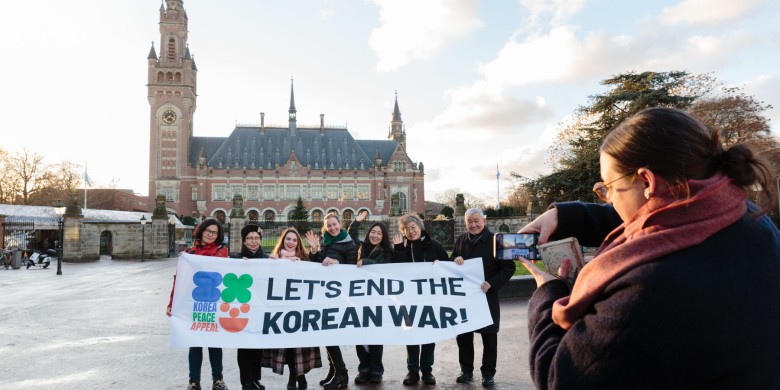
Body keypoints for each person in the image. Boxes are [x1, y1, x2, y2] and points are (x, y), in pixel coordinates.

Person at [518, 107, 780, 388]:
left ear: (647, 181)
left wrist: (547, 295)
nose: (608, 200)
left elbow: (559, 378)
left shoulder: (645, 292)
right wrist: (568, 217)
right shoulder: (750, 218)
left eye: (608, 187)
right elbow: (662, 218)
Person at [450, 208, 515, 388]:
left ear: (484, 221)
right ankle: (466, 370)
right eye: (469, 221)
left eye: (476, 221)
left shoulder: (496, 241)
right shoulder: (461, 240)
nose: (473, 225)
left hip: (487, 296)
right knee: (463, 335)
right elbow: (453, 259)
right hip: (465, 298)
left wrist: (491, 283)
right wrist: (456, 259)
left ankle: (488, 374)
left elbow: (509, 268)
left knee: (489, 337)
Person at [167, 219, 230, 390]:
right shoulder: (189, 252)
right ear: (201, 231)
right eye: (208, 231)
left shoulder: (221, 251)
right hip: (193, 304)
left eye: (214, 232)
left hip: (214, 303)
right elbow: (179, 280)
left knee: (214, 344)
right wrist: (172, 302)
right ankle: (194, 380)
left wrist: (190, 259)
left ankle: (218, 379)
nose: (211, 235)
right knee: (194, 344)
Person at [391, 213, 449, 387]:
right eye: (406, 229)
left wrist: (447, 263)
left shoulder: (434, 245)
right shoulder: (401, 247)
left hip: (430, 299)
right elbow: (395, 270)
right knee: (411, 335)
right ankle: (413, 370)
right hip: (408, 300)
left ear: (420, 227)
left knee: (428, 335)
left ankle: (427, 371)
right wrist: (399, 249)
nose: (410, 231)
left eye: (413, 227)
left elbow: (448, 266)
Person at [262, 227, 323, 390]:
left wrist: (312, 253)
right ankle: (296, 375)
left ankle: (298, 375)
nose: (291, 242)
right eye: (288, 239)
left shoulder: (303, 259)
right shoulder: (274, 259)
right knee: (286, 345)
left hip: (300, 309)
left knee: (299, 345)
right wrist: (271, 264)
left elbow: (318, 273)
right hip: (280, 309)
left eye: (294, 240)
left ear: (298, 243)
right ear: (283, 241)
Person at [304, 213, 357, 389]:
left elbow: (352, 268)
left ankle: (341, 373)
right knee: (325, 333)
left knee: (330, 334)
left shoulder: (349, 243)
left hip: (338, 295)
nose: (332, 228)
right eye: (329, 226)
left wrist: (337, 262)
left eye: (334, 224)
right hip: (323, 293)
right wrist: (314, 250)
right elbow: (317, 265)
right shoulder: (323, 241)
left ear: (339, 224)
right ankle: (334, 370)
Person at [347, 210, 393, 384]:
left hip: (377, 298)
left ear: (383, 236)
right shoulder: (362, 246)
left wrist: (366, 262)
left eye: (379, 233)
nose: (375, 235)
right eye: (373, 232)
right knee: (360, 334)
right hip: (359, 297)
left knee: (375, 336)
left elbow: (386, 267)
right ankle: (363, 368)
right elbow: (351, 235)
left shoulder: (387, 251)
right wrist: (356, 221)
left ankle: (376, 369)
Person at [230, 225, 266, 390]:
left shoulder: (266, 259)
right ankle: (246, 381)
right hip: (243, 309)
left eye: (256, 238)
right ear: (244, 241)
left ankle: (255, 378)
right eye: (250, 238)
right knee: (244, 346)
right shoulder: (236, 259)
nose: (253, 241)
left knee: (257, 346)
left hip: (259, 309)